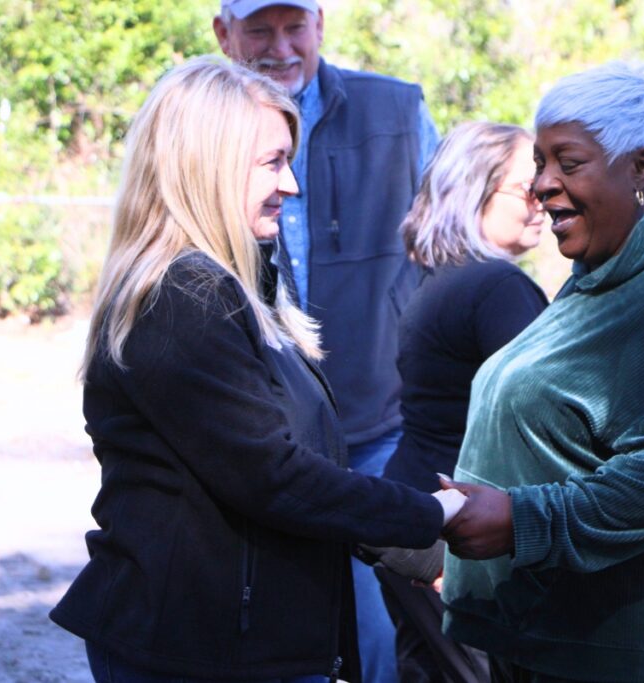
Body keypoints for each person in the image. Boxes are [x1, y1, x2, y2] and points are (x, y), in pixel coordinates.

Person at [48, 56, 465, 683]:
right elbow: (272, 477)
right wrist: (431, 517)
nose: (291, 185)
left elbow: (296, 464)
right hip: (196, 654)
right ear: (207, 165)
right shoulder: (184, 297)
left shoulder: (237, 284)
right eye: (272, 162)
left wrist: (410, 543)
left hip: (246, 645)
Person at [438, 61, 644, 683]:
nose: (543, 183)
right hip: (553, 639)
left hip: (623, 655)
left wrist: (524, 520)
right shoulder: (600, 279)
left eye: (568, 162)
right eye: (540, 163)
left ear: (641, 168)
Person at [212, 3, 441, 680]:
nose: (280, 47)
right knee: (279, 620)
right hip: (262, 433)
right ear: (224, 34)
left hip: (376, 426)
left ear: (320, 22)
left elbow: (451, 243)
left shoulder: (398, 111)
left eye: (295, 26)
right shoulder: (201, 122)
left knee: (378, 628)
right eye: (260, 29)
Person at [377, 122, 549, 683]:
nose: (545, 197)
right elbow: (550, 415)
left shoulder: (442, 283)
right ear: (476, 191)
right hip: (452, 536)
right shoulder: (497, 288)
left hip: (414, 521)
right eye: (529, 186)